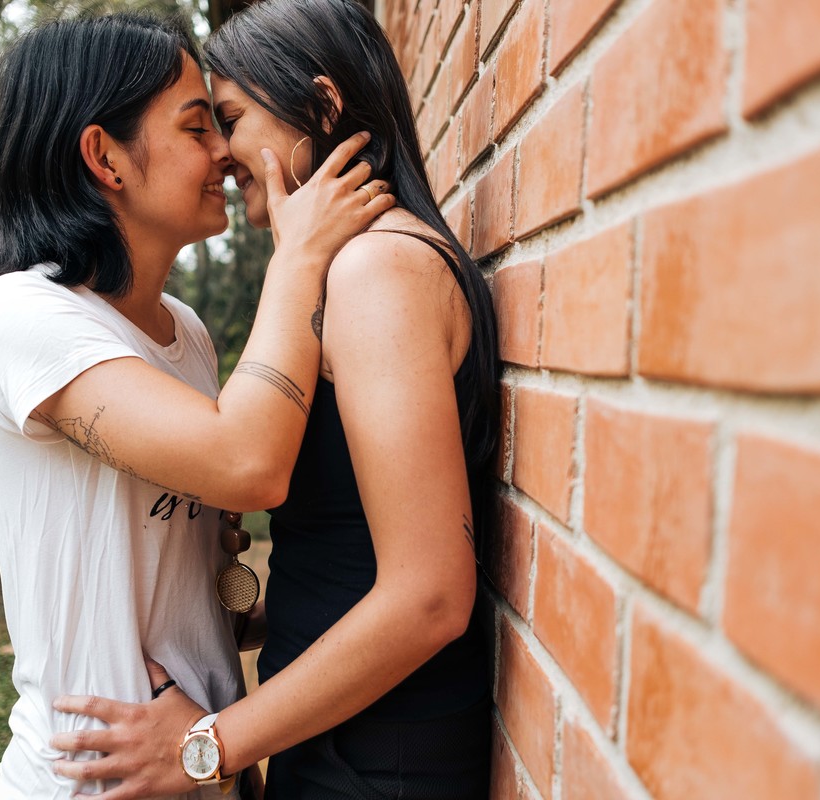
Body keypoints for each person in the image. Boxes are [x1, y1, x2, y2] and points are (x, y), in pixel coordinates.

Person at [49, 1, 500, 797]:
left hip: (378, 767)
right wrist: (242, 618)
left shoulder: (377, 272)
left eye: (228, 120)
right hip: (347, 747)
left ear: (321, 108)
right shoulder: (362, 267)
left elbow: (431, 596)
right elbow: (356, 557)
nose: (220, 154)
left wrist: (203, 747)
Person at [0, 11, 393, 799]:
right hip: (94, 780)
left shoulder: (184, 333)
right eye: (198, 127)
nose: (226, 150)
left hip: (198, 764)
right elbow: (249, 464)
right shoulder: (19, 316)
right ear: (105, 158)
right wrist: (300, 254)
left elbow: (188, 576)